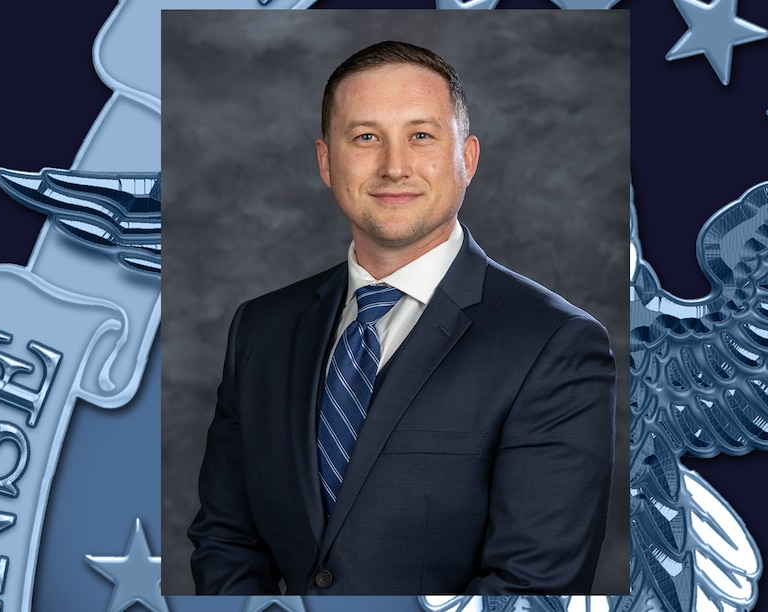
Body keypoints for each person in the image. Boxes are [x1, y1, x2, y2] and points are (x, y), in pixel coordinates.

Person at [188, 40, 616, 595]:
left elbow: (532, 586)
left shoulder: (554, 343)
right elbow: (226, 540)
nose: (394, 167)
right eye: (365, 137)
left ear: (468, 159)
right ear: (326, 161)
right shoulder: (261, 329)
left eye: (421, 136)